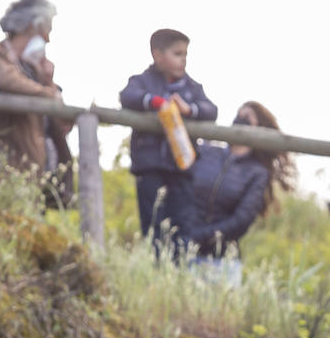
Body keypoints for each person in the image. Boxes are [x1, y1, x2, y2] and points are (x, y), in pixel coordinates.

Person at [0, 0, 75, 208]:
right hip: (4, 178)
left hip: (36, 181)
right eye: (46, 29)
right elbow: (6, 81)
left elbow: (62, 124)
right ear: (32, 26)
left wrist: (48, 82)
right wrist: (49, 93)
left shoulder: (35, 72)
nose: (48, 38)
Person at [175, 100, 295, 282]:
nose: (240, 119)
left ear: (259, 127)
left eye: (247, 117)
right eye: (238, 115)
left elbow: (241, 220)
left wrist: (198, 237)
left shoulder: (257, 172)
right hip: (183, 255)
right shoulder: (207, 152)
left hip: (222, 264)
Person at [118, 28, 217, 244]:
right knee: (154, 226)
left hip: (182, 170)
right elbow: (127, 96)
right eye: (177, 54)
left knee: (182, 227)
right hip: (150, 168)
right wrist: (156, 102)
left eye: (185, 55)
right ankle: (155, 270)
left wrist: (189, 109)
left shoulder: (192, 88)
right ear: (157, 54)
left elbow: (211, 110)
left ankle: (178, 271)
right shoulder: (142, 81)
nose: (183, 60)